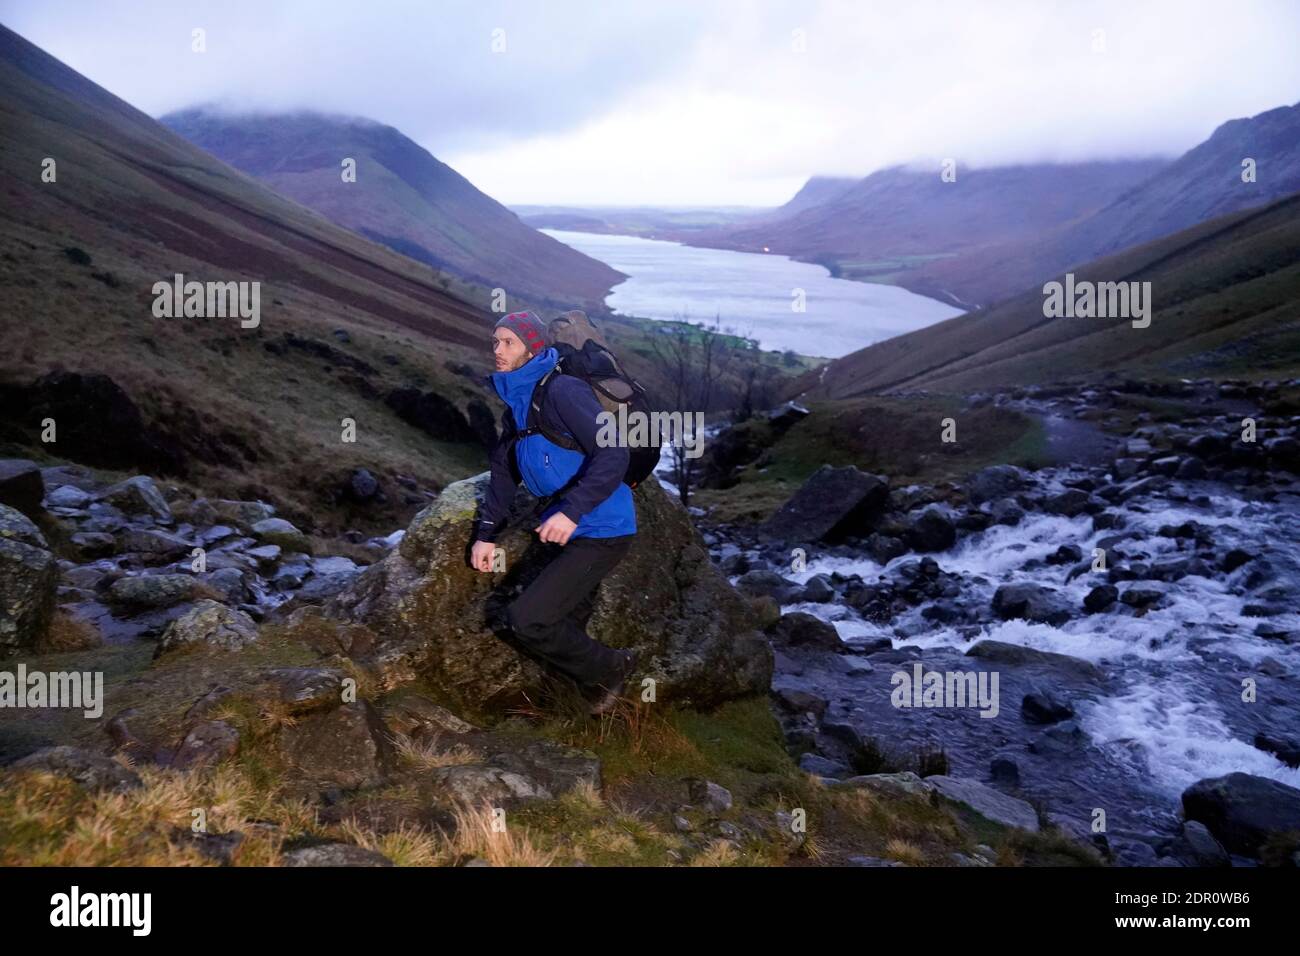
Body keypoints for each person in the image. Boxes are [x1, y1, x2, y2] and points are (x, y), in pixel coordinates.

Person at [469, 310, 639, 715]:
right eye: (495, 341)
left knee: (528, 619)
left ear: (532, 348)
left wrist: (572, 511)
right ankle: (583, 709)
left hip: (602, 529)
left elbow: (614, 451)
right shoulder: (517, 404)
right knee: (563, 623)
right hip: (566, 530)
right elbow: (503, 475)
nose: (498, 350)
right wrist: (485, 534)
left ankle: (617, 668)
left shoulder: (562, 391)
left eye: (508, 342)